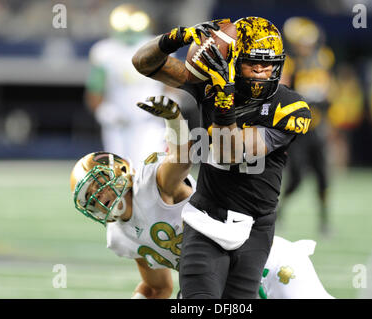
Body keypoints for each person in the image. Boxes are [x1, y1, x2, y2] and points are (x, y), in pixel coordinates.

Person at [70, 96, 332, 299]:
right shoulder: (119, 237)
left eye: (100, 185)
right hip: (218, 282)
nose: (99, 197)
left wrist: (174, 120)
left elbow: (183, 157)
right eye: (90, 196)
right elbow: (156, 287)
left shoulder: (152, 184)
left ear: (121, 172)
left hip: (269, 265)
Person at [132, 17, 312, 298]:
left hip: (255, 227)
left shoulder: (289, 107)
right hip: (206, 217)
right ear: (232, 59)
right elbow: (144, 63)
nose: (262, 72)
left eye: (269, 65)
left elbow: (232, 153)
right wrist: (175, 38)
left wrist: (223, 97)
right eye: (253, 63)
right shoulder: (208, 83)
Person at [85, 3, 168, 164]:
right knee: (120, 171)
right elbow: (94, 89)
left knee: (150, 170)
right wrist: (104, 111)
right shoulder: (104, 51)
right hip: (118, 122)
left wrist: (168, 107)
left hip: (149, 121)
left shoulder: (158, 46)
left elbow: (172, 84)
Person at [278, 17, 333, 235]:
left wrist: (324, 101)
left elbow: (328, 90)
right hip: (298, 128)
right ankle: (280, 210)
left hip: (317, 127)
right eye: (303, 43)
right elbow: (284, 92)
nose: (306, 47)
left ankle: (325, 221)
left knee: (323, 177)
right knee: (298, 176)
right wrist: (307, 100)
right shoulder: (291, 64)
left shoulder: (322, 60)